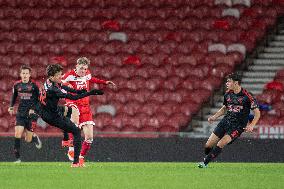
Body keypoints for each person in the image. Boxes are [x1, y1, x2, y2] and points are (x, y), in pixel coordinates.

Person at [31, 64, 104, 167]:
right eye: (58, 75)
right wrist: (91, 92)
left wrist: (78, 90)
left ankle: (65, 139)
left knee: (69, 111)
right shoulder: (53, 89)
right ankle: (75, 162)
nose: (61, 77)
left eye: (61, 74)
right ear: (52, 77)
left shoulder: (49, 82)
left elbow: (65, 87)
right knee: (77, 131)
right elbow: (73, 98)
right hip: (52, 116)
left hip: (47, 110)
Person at [198, 73, 261, 168]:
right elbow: (224, 108)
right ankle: (209, 156)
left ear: (236, 83)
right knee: (208, 145)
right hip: (225, 122)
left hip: (237, 126)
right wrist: (214, 117)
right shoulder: (228, 94)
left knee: (221, 143)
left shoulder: (247, 96)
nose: (227, 83)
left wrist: (251, 125)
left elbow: (257, 113)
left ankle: (205, 163)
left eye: (229, 81)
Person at [61, 57, 115, 164]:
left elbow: (91, 79)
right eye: (81, 68)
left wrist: (105, 82)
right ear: (76, 66)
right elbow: (60, 84)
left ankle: (80, 157)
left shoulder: (87, 74)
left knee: (89, 137)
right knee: (74, 122)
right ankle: (71, 149)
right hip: (73, 102)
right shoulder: (69, 75)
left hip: (85, 107)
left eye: (85, 69)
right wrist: (68, 85)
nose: (83, 71)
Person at [8, 65, 42, 163]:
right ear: (20, 74)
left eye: (27, 73)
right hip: (21, 113)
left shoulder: (34, 86)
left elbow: (40, 100)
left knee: (28, 139)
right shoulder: (16, 85)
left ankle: (34, 138)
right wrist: (11, 106)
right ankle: (18, 158)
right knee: (17, 133)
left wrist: (33, 109)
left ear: (30, 75)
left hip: (32, 115)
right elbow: (14, 97)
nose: (25, 75)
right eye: (23, 73)